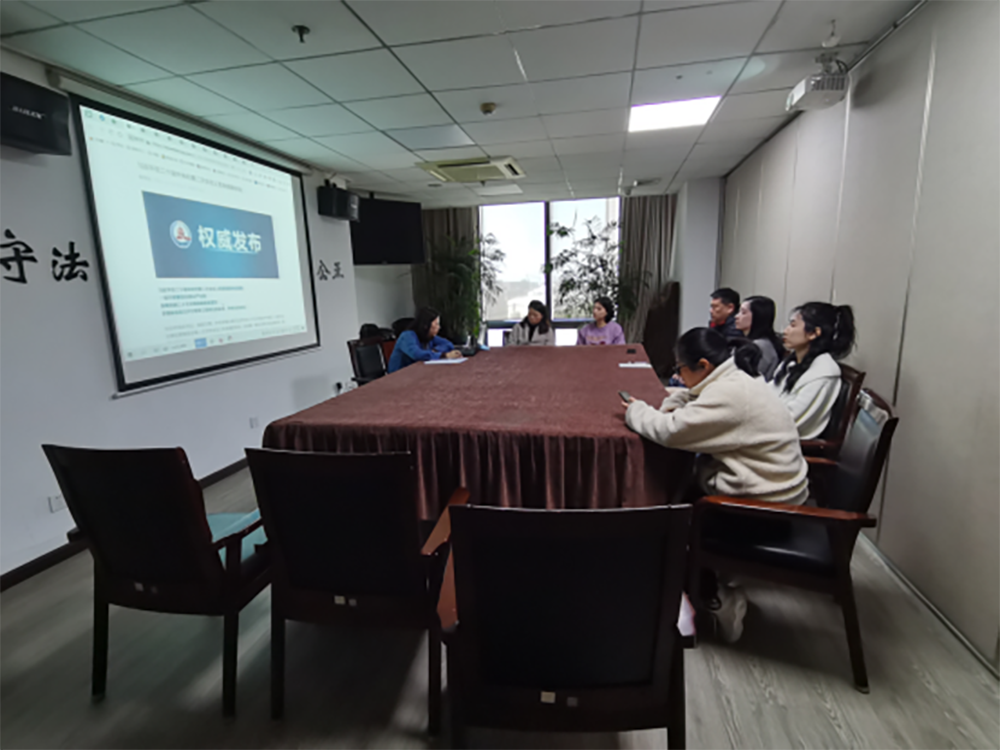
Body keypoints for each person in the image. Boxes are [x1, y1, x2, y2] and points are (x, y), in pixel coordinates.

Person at [622, 327, 808, 642]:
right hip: (774, 496)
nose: (678, 376)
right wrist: (675, 397)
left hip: (763, 512)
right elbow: (693, 398)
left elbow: (670, 432)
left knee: (667, 520)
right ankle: (698, 586)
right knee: (678, 492)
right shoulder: (734, 379)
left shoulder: (730, 395)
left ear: (704, 365)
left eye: (680, 368)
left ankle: (717, 598)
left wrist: (636, 411)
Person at [772, 302, 857, 439]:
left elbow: (792, 420)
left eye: (793, 325)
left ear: (813, 333)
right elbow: (769, 393)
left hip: (786, 443)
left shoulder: (824, 372)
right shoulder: (793, 362)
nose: (786, 331)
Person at [387, 307, 462, 373]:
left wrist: (435, 350)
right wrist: (444, 355)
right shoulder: (407, 336)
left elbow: (448, 344)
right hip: (398, 375)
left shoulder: (429, 336)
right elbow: (417, 354)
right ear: (426, 326)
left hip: (417, 372)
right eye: (436, 324)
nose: (439, 327)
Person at [734, 295, 785, 380]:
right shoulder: (752, 342)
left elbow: (749, 378)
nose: (736, 316)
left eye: (743, 312)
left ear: (758, 315)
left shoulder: (760, 346)